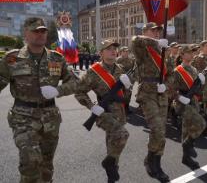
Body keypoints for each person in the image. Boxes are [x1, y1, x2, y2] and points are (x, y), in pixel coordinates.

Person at [41, 39, 132, 183]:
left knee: (114, 145)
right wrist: (91, 106)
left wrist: (127, 87)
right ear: (101, 53)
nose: (113, 51)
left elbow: (125, 97)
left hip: (120, 112)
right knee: (122, 135)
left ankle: (111, 175)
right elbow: (79, 92)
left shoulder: (120, 69)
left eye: (115, 48)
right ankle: (109, 164)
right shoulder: (94, 71)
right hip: (104, 112)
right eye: (109, 48)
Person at [0, 17, 76, 183]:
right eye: (35, 31)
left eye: (43, 31)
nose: (40, 34)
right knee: (31, 160)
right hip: (23, 117)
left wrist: (59, 90)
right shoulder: (12, 59)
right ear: (26, 34)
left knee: (46, 165)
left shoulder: (57, 58)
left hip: (50, 119)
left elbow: (75, 82)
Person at [131, 22, 170, 182]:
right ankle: (151, 162)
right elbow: (135, 40)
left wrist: (165, 85)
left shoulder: (161, 51)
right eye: (153, 31)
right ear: (145, 31)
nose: (156, 33)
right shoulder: (143, 48)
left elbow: (171, 73)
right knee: (157, 129)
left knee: (161, 132)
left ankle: (155, 161)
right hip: (147, 92)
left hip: (161, 92)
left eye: (158, 31)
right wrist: (155, 42)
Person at [172, 45, 206, 169]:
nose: (192, 55)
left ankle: (186, 158)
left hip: (193, 101)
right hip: (182, 102)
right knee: (201, 124)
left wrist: (202, 82)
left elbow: (198, 88)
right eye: (188, 52)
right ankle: (187, 145)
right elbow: (171, 89)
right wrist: (179, 97)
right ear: (182, 55)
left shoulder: (194, 69)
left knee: (187, 129)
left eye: (193, 52)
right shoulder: (177, 70)